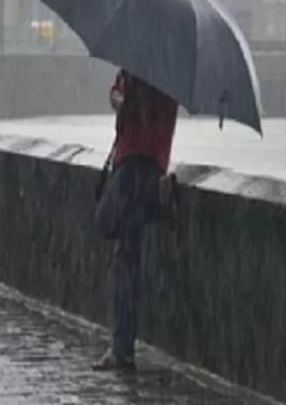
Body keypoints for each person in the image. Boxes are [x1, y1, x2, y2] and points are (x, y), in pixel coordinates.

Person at [92, 68, 179, 372]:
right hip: (141, 166)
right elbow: (115, 93)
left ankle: (122, 347)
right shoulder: (140, 67)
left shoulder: (157, 74)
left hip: (137, 168)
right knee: (126, 254)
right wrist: (120, 99)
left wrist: (130, 103)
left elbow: (146, 117)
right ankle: (122, 345)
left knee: (123, 256)